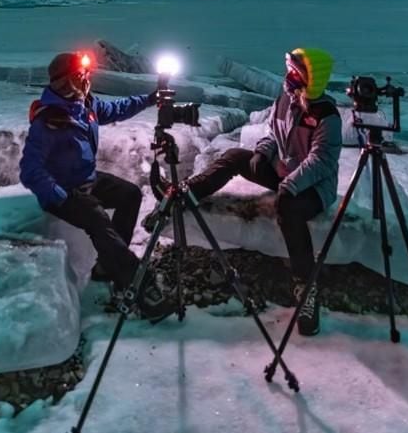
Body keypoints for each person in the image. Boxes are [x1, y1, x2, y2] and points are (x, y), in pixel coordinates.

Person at [176, 47, 341, 336]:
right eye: (289, 69)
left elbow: (322, 161)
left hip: (314, 188)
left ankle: (306, 287)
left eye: (295, 72)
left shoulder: (327, 114)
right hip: (286, 175)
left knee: (288, 210)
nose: (288, 76)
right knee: (235, 157)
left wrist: (291, 183)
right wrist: (264, 153)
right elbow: (273, 132)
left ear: (310, 78)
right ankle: (187, 194)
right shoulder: (285, 100)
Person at [19, 50, 175, 323]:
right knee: (97, 219)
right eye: (81, 76)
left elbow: (117, 108)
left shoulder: (84, 106)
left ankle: (109, 265)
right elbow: (30, 170)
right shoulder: (48, 121)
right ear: (66, 82)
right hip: (63, 191)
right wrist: (58, 195)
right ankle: (138, 285)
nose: (87, 80)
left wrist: (150, 99)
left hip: (86, 179)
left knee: (130, 194)